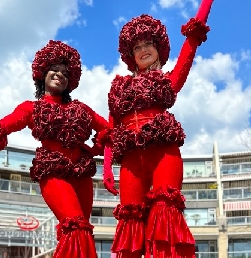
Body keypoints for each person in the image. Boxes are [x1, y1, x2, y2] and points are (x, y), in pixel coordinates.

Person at [103, 1, 214, 257]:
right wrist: (107, 167)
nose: (143, 50)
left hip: (164, 153)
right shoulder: (118, 88)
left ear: (158, 48)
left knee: (165, 215)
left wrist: (205, 6)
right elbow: (111, 130)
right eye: (137, 47)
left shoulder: (168, 81)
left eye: (148, 44)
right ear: (130, 55)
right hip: (131, 162)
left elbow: (190, 47)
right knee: (130, 224)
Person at [0, 40, 111, 258]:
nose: (59, 75)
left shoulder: (82, 109)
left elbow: (109, 130)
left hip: (81, 176)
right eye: (54, 70)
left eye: (65, 73)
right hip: (53, 173)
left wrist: (93, 148)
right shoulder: (31, 108)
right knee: (75, 226)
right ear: (43, 73)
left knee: (82, 230)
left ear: (71, 80)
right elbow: (2, 127)